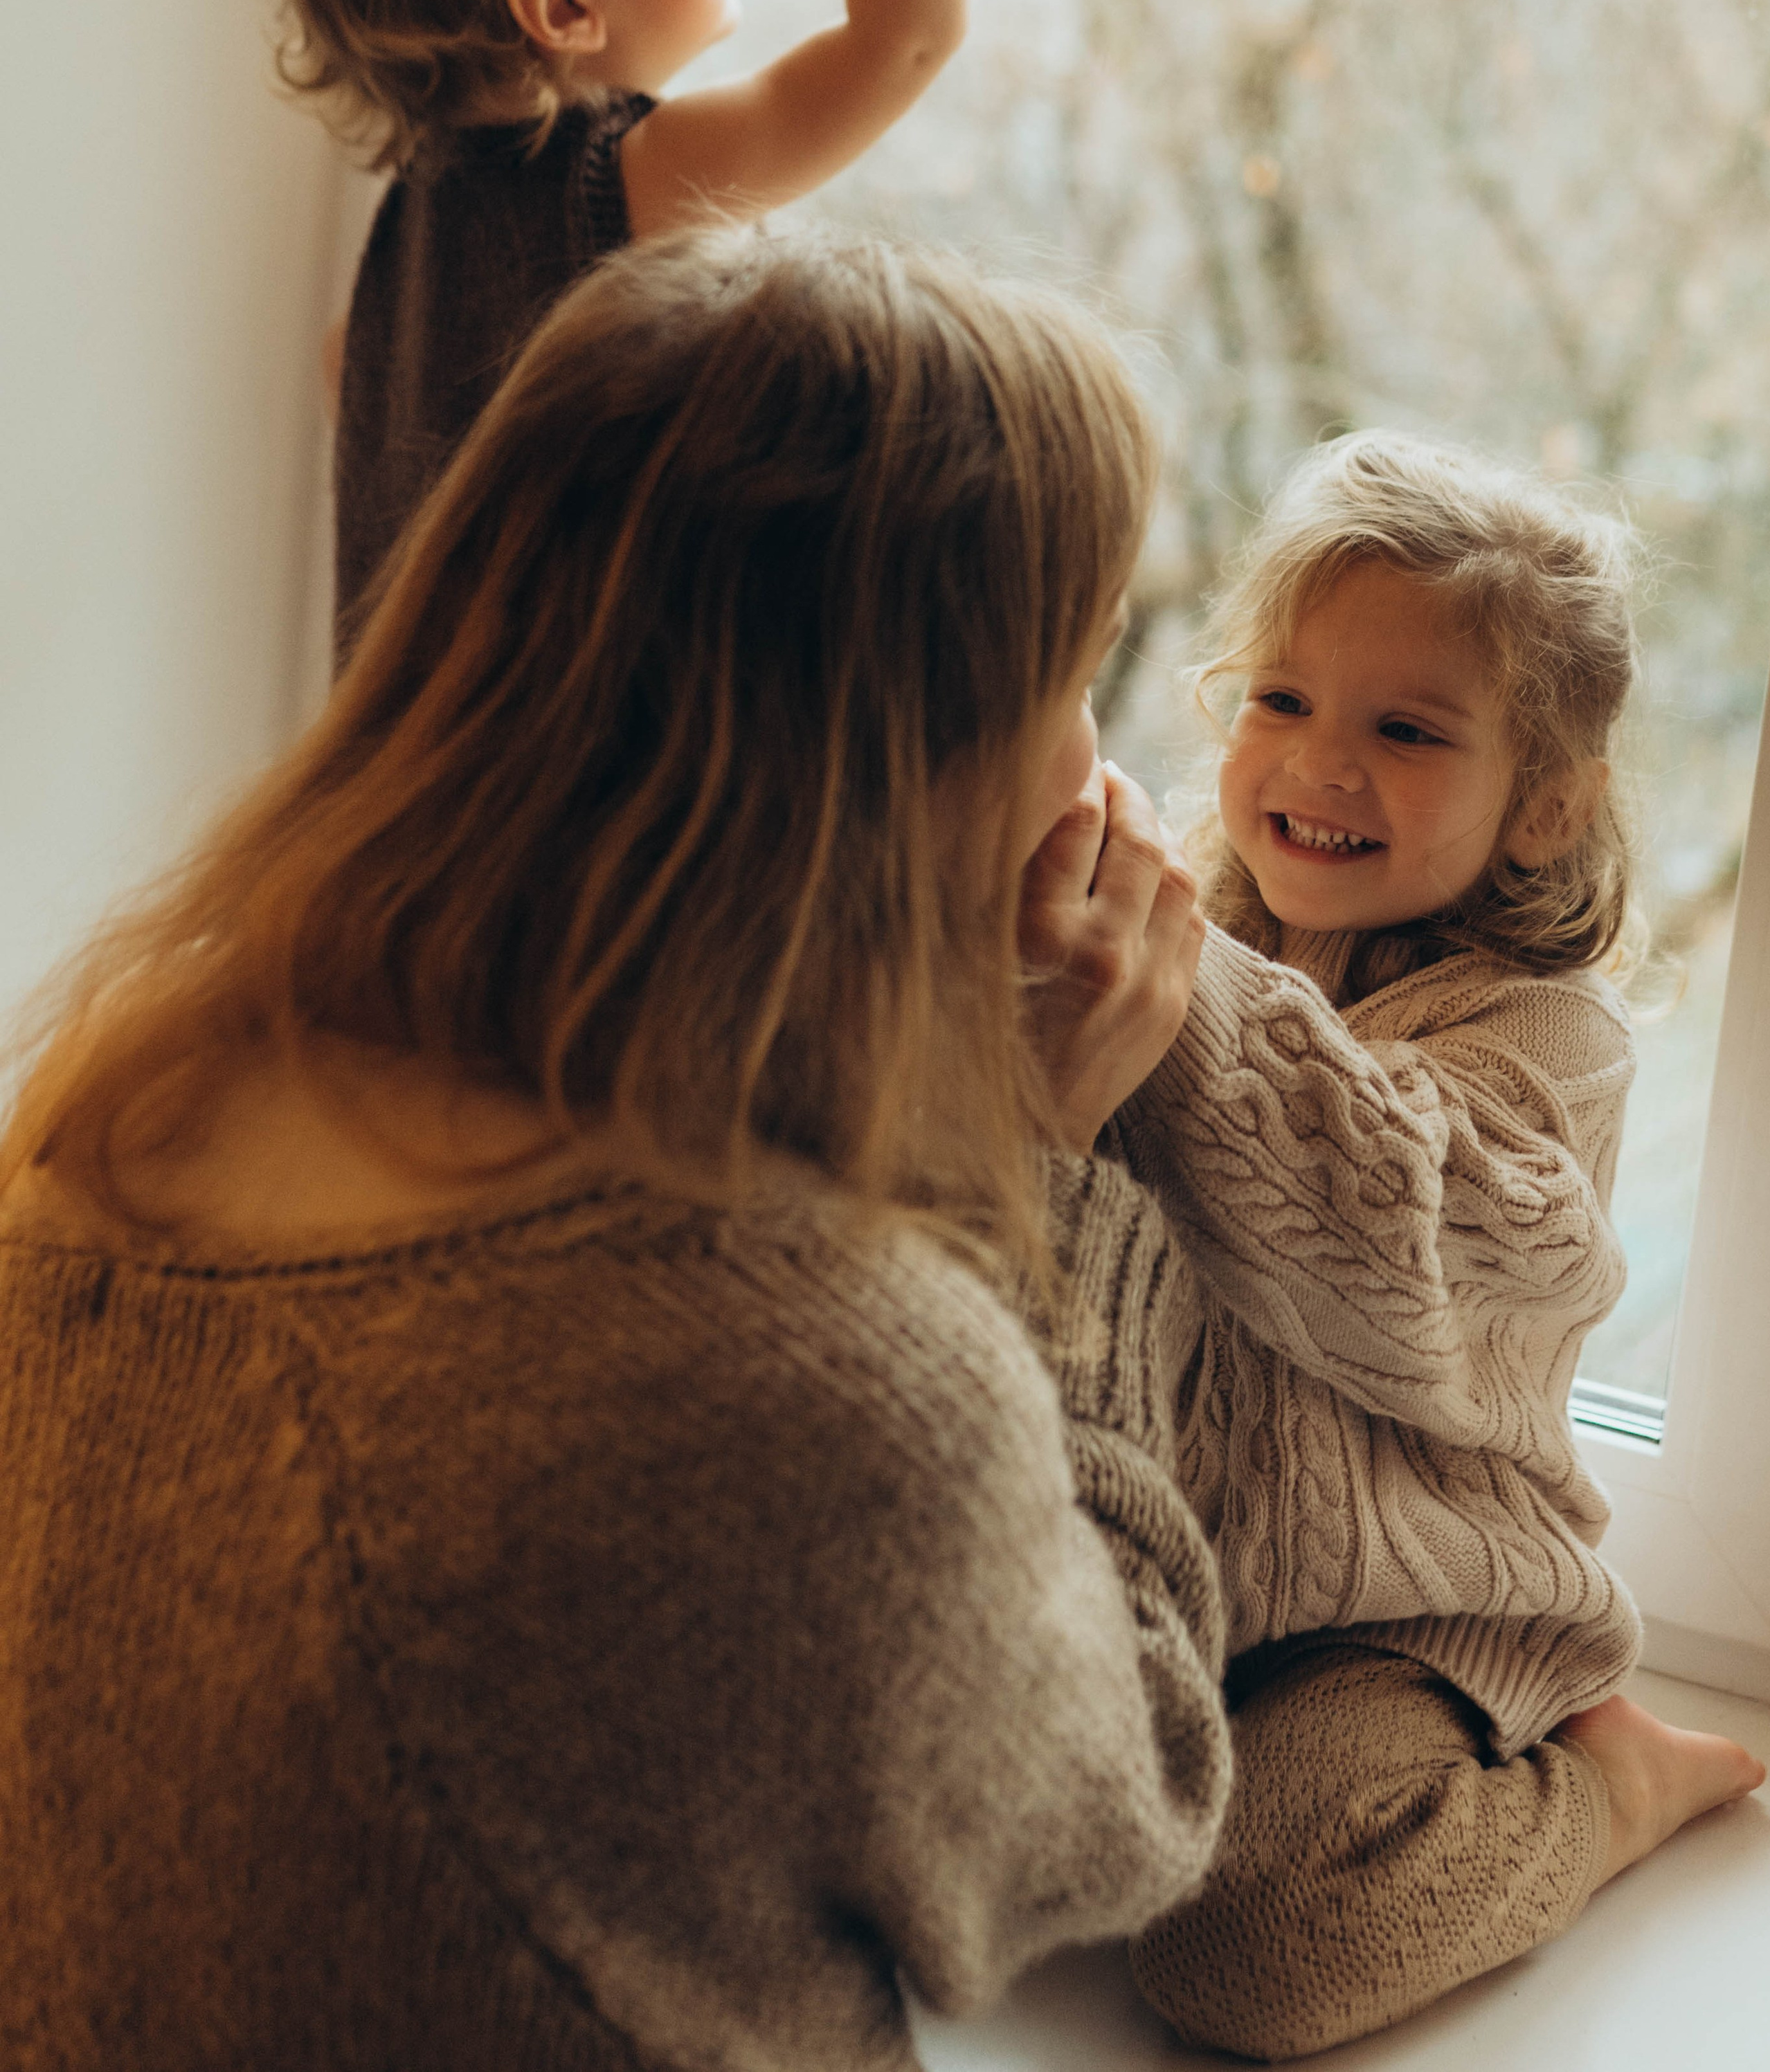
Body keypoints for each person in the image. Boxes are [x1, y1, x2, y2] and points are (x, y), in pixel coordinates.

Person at [0, 226, 1230, 2072]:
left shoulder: (112, 1118)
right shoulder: (804, 1380)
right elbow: (1107, 1816)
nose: (1087, 770)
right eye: (1072, 681)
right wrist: (1038, 1180)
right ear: (894, 771)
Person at [1101, 432, 1766, 2060]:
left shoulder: (1541, 1041)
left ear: (1543, 805)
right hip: (1153, 1571)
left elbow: (1369, 1224)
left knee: (1244, 1951)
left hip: (1392, 1610)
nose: (1320, 767)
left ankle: (1608, 1785)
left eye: (1402, 731)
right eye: (1281, 701)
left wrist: (1169, 996)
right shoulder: (1203, 945)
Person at [269, 0, 969, 651]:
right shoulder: (613, 182)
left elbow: (341, 373)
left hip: (411, 784)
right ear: (562, 5)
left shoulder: (410, 236)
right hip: (579, 792)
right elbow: (903, 39)